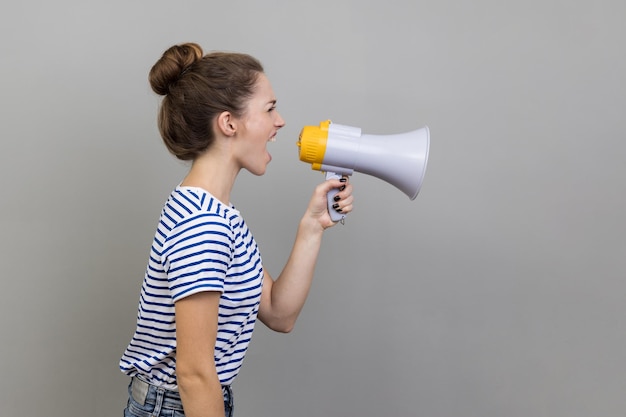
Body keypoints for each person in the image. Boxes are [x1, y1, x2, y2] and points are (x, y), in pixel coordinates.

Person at [119, 42, 354, 417]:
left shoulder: (219, 214)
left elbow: (279, 313)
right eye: (270, 108)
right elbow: (194, 373)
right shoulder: (202, 224)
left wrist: (313, 225)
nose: (280, 122)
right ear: (229, 123)